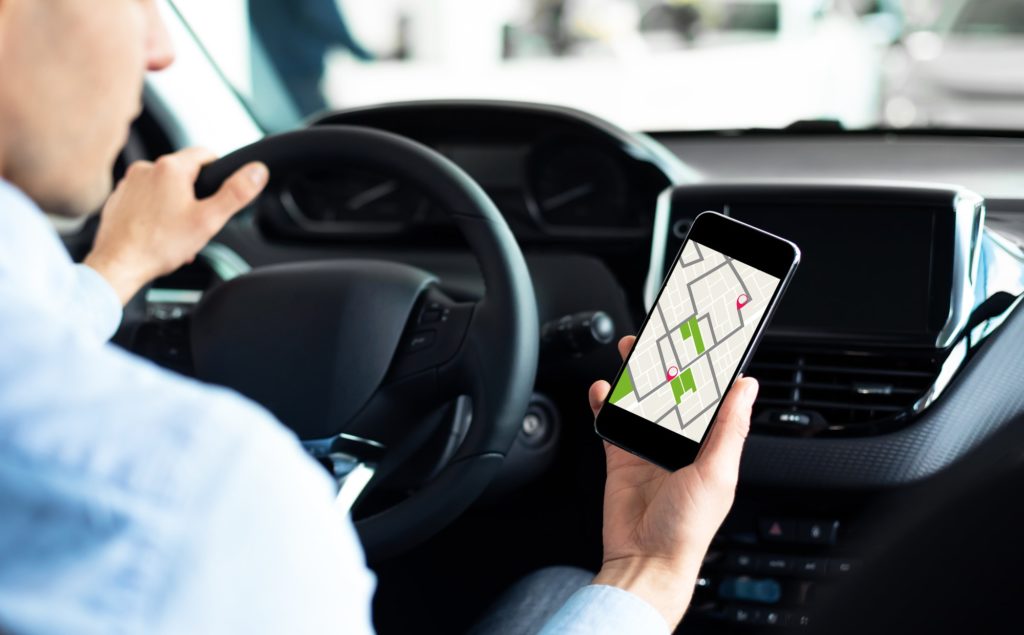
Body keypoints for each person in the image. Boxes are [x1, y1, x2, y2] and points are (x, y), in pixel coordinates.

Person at [0, 1, 757, 633]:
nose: (159, 46)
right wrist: (648, 573)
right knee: (563, 588)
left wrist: (114, 270)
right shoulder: (202, 502)